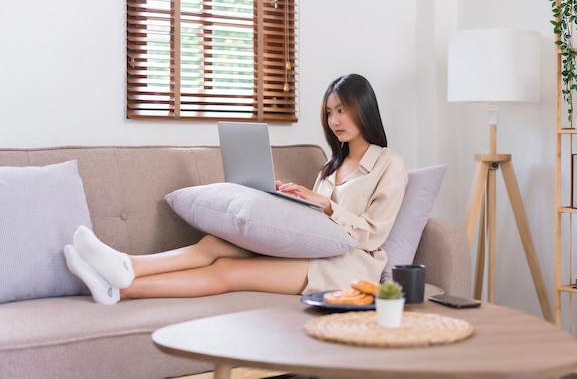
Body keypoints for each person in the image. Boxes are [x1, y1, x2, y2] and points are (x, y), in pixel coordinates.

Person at [64, 73, 408, 304]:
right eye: (331, 112)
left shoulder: (389, 164)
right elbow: (318, 222)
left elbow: (373, 234)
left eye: (342, 111)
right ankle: (127, 264)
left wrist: (328, 205)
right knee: (215, 243)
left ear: (363, 109)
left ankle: (120, 289)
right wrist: (291, 203)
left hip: (347, 266)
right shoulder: (331, 165)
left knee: (229, 271)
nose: (334, 121)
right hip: (312, 247)